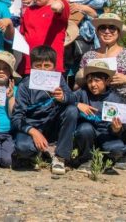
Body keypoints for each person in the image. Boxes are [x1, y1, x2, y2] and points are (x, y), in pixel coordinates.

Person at [78, 13, 126, 169]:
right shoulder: (89, 55)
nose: (107, 31)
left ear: (119, 32)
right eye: (103, 28)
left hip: (120, 102)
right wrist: (83, 74)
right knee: (85, 128)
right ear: (97, 31)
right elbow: (79, 82)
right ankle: (89, 152)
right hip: (94, 102)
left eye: (112, 28)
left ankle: (123, 153)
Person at [12, 46, 76, 175]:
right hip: (32, 126)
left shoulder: (59, 80)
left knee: (72, 110)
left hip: (53, 126)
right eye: (38, 65)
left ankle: (60, 156)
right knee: (23, 148)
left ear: (54, 66)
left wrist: (63, 97)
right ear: (32, 67)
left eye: (47, 65)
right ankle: (40, 152)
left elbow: (73, 98)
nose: (42, 69)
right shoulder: (25, 85)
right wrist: (34, 132)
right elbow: (17, 117)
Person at [70, 61, 126, 174]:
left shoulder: (115, 99)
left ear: (106, 81)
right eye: (89, 81)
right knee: (85, 129)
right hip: (86, 134)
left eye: (97, 80)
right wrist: (77, 104)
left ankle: (103, 162)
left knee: (118, 148)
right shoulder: (81, 93)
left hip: (105, 134)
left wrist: (116, 129)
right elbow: (65, 101)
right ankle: (85, 159)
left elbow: (118, 130)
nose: (93, 85)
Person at [19, 0, 69, 75]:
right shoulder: (28, 10)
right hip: (29, 65)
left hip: (50, 66)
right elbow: (23, 35)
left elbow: (58, 7)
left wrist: (58, 2)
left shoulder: (60, 6)